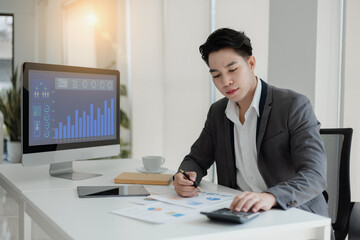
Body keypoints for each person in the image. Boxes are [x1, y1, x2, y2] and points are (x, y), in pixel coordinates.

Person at [173, 28, 329, 218]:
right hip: (240, 214)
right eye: (216, 75)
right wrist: (184, 176)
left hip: (292, 213)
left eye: (232, 70)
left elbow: (314, 175)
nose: (226, 81)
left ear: (251, 63)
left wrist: (270, 196)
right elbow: (196, 159)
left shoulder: (293, 105)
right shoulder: (218, 113)